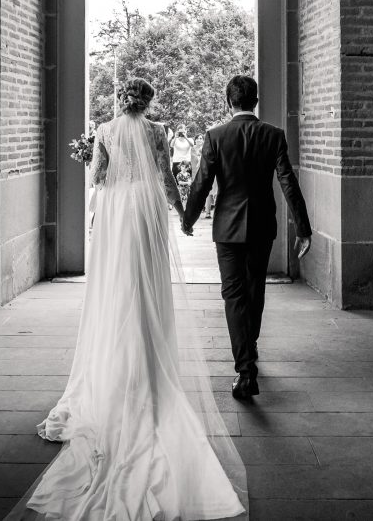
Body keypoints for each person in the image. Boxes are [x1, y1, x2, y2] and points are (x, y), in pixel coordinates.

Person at [23, 78, 245, 519]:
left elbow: (99, 179)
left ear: (120, 101)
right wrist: (183, 215)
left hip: (116, 212)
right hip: (145, 210)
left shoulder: (105, 131)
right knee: (147, 283)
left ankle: (116, 363)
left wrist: (93, 181)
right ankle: (149, 356)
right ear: (149, 101)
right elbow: (165, 179)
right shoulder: (158, 131)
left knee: (116, 286)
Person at [183, 75, 312, 400]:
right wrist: (304, 228)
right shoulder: (273, 135)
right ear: (255, 100)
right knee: (255, 289)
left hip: (227, 227)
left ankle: (245, 368)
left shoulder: (216, 136)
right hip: (261, 226)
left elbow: (201, 183)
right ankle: (249, 349)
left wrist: (189, 218)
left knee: (233, 293)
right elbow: (288, 183)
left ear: (230, 101)